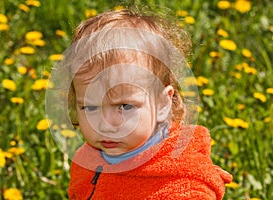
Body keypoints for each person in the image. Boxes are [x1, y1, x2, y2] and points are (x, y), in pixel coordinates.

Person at [56, 8, 232, 200]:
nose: (106, 124)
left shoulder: (181, 185)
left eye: (125, 106)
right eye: (90, 107)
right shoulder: (88, 160)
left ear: (163, 104)